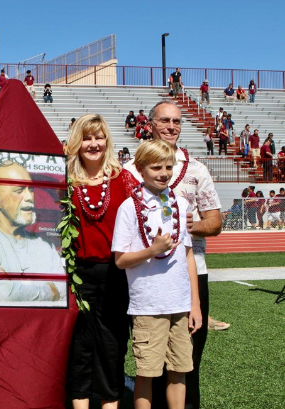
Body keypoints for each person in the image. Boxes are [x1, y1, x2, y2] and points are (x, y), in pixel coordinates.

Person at [124, 101, 222, 409]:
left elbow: (215, 222)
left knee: (187, 362)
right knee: (150, 363)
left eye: (176, 121)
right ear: (151, 124)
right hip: (144, 279)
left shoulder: (196, 169)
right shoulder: (131, 169)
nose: (171, 126)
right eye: (164, 120)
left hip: (190, 273)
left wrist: (189, 226)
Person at [113, 139, 201, 409]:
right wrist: (152, 250)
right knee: (147, 373)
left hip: (180, 304)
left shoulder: (181, 205)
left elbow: (188, 256)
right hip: (149, 305)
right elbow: (120, 260)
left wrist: (195, 304)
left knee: (179, 370)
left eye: (168, 167)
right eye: (156, 167)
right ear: (140, 169)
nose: (164, 173)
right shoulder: (129, 207)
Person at [66, 114, 138, 409]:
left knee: (112, 345)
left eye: (99, 137)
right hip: (76, 275)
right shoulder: (65, 181)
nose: (93, 144)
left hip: (116, 275)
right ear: (76, 142)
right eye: (86, 138)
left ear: (107, 140)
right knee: (79, 347)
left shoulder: (124, 179)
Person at [0, 161, 66, 303]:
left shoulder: (45, 246)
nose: (29, 197)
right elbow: (3, 295)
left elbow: (63, 292)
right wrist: (51, 290)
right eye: (19, 190)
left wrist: (15, 286)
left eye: (30, 189)